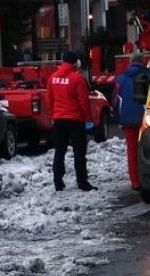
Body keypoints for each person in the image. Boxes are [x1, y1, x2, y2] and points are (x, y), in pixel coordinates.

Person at [46, 50, 95, 192]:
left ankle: (58, 182)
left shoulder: (52, 78)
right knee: (79, 152)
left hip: (59, 120)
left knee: (59, 152)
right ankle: (82, 182)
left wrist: (52, 116)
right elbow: (83, 101)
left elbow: (49, 99)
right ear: (75, 62)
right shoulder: (77, 78)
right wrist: (88, 118)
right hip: (75, 120)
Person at [112, 52, 150, 189]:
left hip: (127, 120)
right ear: (142, 62)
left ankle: (135, 181)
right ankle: (149, 177)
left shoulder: (121, 78)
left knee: (132, 151)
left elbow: (115, 101)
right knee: (149, 150)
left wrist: (119, 117)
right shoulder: (149, 76)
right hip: (147, 119)